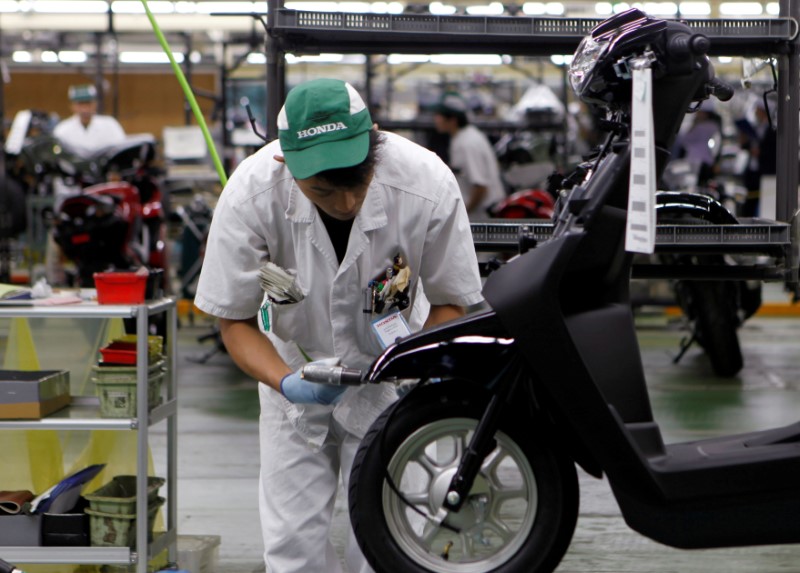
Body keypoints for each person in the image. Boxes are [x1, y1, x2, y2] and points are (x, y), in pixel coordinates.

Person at [193, 78, 483, 573]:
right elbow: (235, 321)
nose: (346, 203)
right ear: (286, 161)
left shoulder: (425, 184)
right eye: (324, 188)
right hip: (292, 376)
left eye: (357, 181)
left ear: (375, 139)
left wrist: (412, 369)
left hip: (394, 378)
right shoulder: (251, 195)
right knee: (292, 547)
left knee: (392, 539)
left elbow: (453, 301)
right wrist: (287, 384)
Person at [433, 91, 506, 219]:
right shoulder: (463, 137)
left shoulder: (468, 143)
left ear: (453, 119)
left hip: (483, 217)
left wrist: (463, 214)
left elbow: (480, 186)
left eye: (439, 115)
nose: (435, 119)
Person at [53, 84, 126, 159]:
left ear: (95, 104)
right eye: (80, 104)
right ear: (72, 106)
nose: (84, 109)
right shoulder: (62, 130)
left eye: (88, 103)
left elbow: (121, 150)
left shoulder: (110, 125)